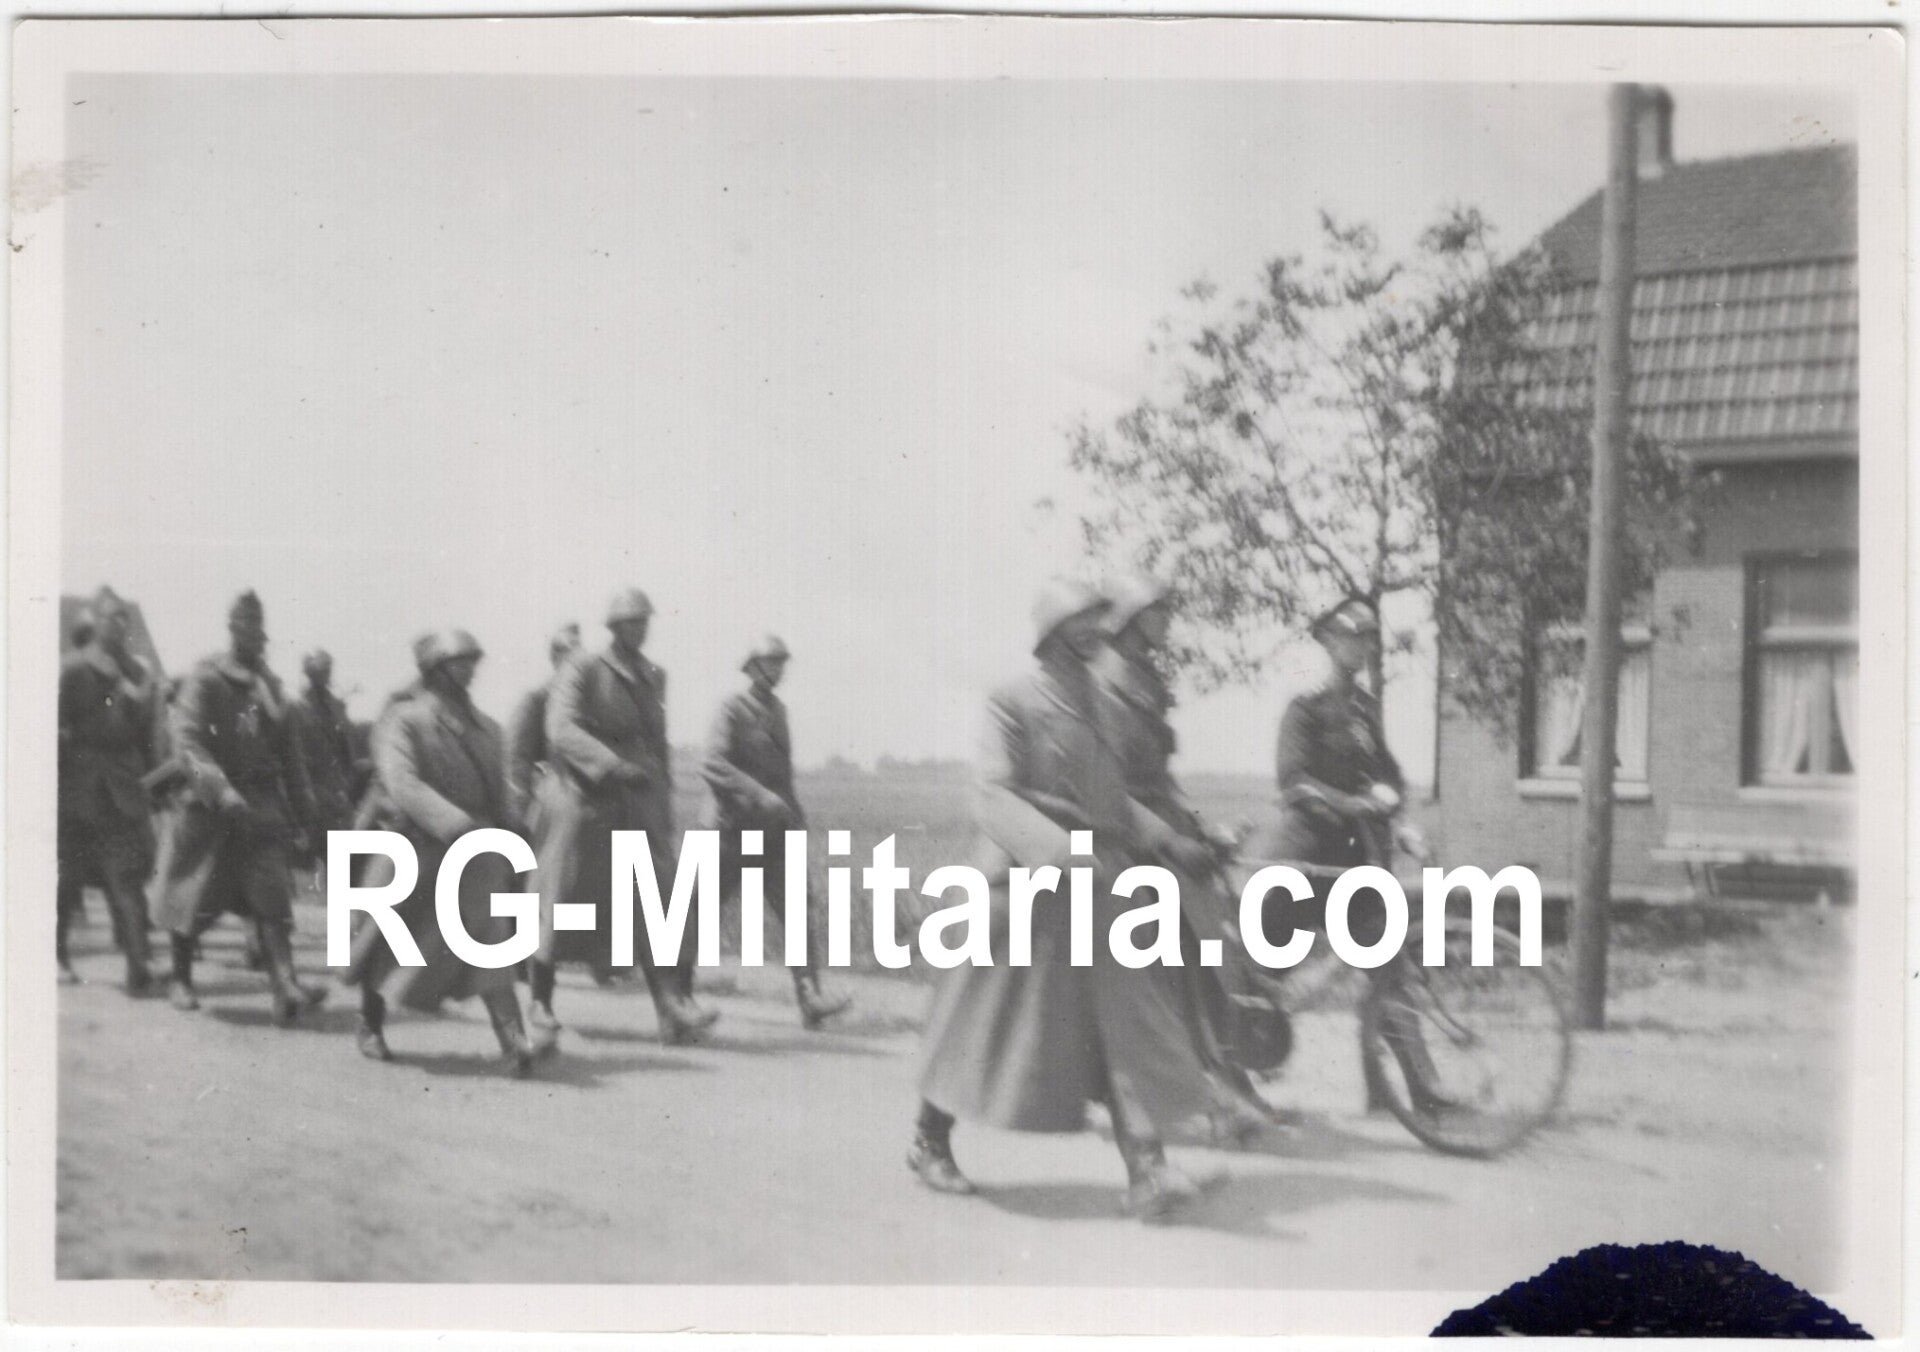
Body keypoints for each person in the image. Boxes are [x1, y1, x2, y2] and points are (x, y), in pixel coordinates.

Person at [909, 579, 1221, 1223]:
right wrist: (1059, 849)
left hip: (1097, 891)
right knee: (984, 1026)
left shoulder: (1101, 707)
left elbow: (1115, 803)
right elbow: (991, 793)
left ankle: (1147, 1169)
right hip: (1022, 889)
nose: (1095, 632)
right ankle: (928, 1140)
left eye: (1099, 622)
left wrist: (1170, 842)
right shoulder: (1012, 701)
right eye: (1082, 621)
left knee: (1125, 1022)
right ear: (1050, 629)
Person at [1091, 573, 1278, 1143]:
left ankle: (1228, 1082)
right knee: (1174, 963)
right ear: (1129, 619)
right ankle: (1210, 1094)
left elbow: (1159, 779)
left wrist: (1197, 830)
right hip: (1118, 840)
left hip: (1156, 834)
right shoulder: (1107, 684)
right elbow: (1110, 787)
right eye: (1159, 609)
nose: (1168, 618)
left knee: (1208, 955)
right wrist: (1170, 840)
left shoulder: (1143, 679)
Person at [1256, 596, 1446, 1115]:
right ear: (1328, 644)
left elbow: (1389, 774)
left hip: (1352, 867)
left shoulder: (1364, 709)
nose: (1359, 648)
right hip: (1301, 863)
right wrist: (1357, 803)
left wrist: (1399, 820)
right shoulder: (1306, 708)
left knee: (1386, 969)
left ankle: (1413, 1095)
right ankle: (1228, 1087)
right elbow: (1294, 782)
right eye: (1349, 639)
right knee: (1259, 979)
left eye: (1365, 639)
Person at [339, 631, 539, 1076]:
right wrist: (456, 824)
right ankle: (370, 1024)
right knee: (389, 940)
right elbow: (402, 782)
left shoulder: (488, 729)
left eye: (473, 661)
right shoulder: (405, 719)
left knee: (492, 943)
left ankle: (513, 1040)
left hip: (476, 857)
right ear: (435, 669)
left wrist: (511, 826)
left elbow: (500, 791)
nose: (469, 670)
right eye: (459, 662)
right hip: (417, 846)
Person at [531, 589, 717, 1048]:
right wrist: (610, 765)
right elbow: (560, 729)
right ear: (613, 627)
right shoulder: (583, 667)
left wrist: (661, 799)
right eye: (631, 623)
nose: (641, 629)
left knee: (654, 896)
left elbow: (658, 744)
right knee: (563, 893)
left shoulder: (655, 675)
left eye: (645, 621)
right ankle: (540, 1001)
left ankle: (670, 1007)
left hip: (639, 799)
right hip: (586, 794)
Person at [154, 590, 328, 1024]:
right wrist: (220, 789)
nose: (257, 637)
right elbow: (187, 742)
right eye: (248, 627)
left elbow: (292, 758)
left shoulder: (272, 688)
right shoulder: (206, 679)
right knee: (193, 896)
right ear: (233, 630)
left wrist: (307, 813)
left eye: (261, 628)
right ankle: (180, 978)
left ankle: (285, 985)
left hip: (261, 808)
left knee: (272, 898)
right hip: (208, 808)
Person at [701, 635, 851, 1030]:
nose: (779, 669)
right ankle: (675, 1000)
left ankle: (810, 997)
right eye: (771, 662)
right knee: (694, 914)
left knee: (796, 910)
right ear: (751, 667)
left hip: (771, 834)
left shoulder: (779, 711)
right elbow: (713, 763)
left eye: (782, 662)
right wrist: (758, 795)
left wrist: (794, 817)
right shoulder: (731, 709)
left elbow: (782, 777)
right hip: (729, 830)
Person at [57, 587, 161, 992]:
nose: (119, 624)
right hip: (77, 788)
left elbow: (149, 737)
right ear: (94, 621)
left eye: (124, 618)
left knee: (128, 877)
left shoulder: (138, 674)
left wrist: (154, 781)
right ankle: (57, 953)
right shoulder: (72, 668)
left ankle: (138, 964)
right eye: (111, 616)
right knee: (68, 878)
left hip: (123, 788)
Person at [290, 649, 362, 877]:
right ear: (308, 673)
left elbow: (347, 746)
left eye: (326, 670)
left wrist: (347, 781)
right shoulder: (296, 706)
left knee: (344, 856)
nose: (324, 675)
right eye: (318, 670)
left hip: (335, 789)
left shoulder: (336, 706)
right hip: (308, 787)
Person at [506, 623, 581, 828]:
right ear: (555, 658)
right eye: (568, 656)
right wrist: (520, 813)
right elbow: (516, 761)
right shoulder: (536, 700)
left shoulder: (585, 702)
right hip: (545, 803)